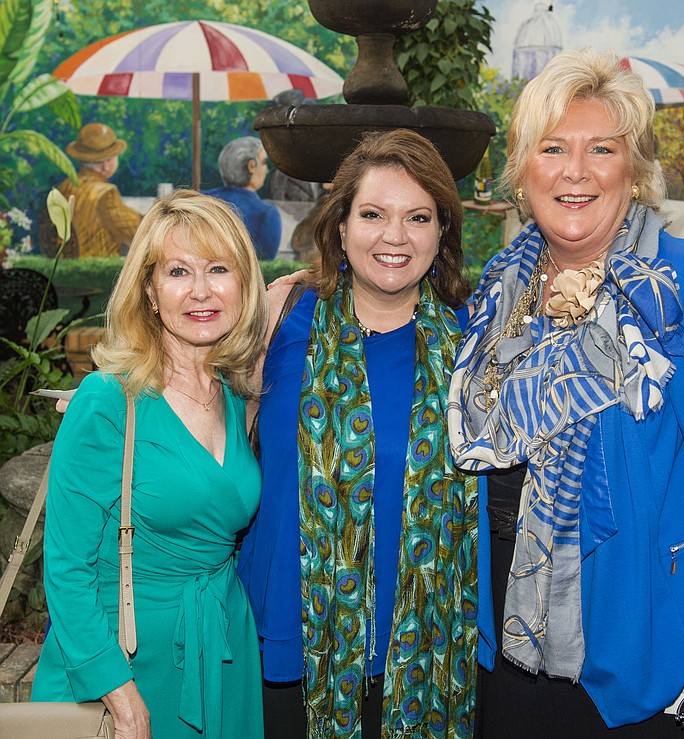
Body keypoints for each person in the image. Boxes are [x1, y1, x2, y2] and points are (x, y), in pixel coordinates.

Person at [447, 48, 684, 737]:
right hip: (505, 645)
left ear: (633, 171)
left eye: (601, 148)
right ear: (522, 171)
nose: (574, 171)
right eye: (552, 148)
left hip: (648, 660)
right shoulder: (497, 291)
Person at [236, 129, 495, 738]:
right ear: (342, 226)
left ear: (442, 232)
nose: (395, 236)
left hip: (430, 646)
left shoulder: (477, 340)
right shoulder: (277, 318)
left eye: (419, 217)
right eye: (373, 214)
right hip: (292, 633)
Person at [31, 190, 269, 738]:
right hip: (127, 663)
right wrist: (116, 690)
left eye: (219, 269)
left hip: (222, 651)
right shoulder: (108, 400)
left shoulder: (235, 395)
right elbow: (67, 567)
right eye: (178, 271)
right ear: (149, 290)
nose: (202, 291)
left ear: (243, 284)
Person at [55, 122, 143, 257]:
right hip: (98, 270)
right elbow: (139, 232)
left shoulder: (64, 187)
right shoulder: (106, 193)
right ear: (107, 165)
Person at [206, 137, 283, 260]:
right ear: (251, 166)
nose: (267, 170)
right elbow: (265, 266)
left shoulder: (199, 199)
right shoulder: (267, 214)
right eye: (263, 163)